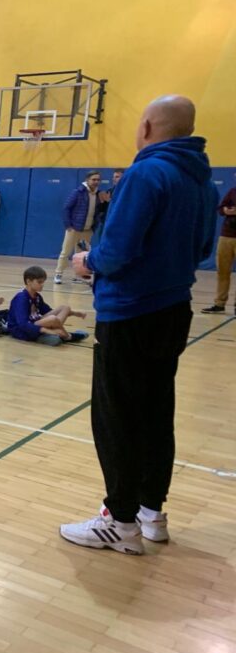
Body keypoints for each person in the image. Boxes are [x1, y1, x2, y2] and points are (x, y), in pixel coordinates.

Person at [60, 94, 217, 554]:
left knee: (116, 417)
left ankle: (120, 521)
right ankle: (151, 511)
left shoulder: (146, 173)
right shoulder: (203, 181)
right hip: (174, 310)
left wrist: (88, 261)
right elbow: (202, 249)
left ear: (147, 127)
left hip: (129, 314)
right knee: (155, 412)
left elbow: (117, 249)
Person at [6, 266, 86, 345]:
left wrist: (75, 313)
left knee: (65, 308)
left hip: (35, 323)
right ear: (28, 281)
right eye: (39, 282)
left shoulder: (37, 296)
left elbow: (49, 311)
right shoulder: (21, 298)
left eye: (43, 282)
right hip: (22, 331)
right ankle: (67, 336)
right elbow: (23, 324)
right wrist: (47, 330)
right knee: (52, 319)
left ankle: (59, 333)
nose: (42, 284)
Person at [54, 170, 104, 284]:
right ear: (87, 180)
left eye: (98, 180)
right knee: (65, 252)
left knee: (82, 255)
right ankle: (58, 274)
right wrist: (68, 225)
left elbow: (98, 212)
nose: (96, 182)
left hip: (88, 230)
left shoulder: (98, 194)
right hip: (74, 229)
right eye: (94, 179)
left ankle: (78, 276)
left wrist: (93, 228)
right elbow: (66, 208)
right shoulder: (78, 192)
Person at [202, 171, 236, 314]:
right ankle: (219, 303)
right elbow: (221, 208)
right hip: (226, 236)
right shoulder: (232, 191)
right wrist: (226, 210)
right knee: (222, 271)